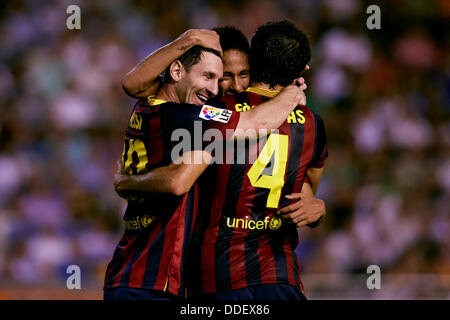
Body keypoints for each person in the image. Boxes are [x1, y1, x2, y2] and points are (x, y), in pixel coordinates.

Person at [114, 20, 327, 300]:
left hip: (218, 272)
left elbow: (295, 184)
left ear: (257, 66)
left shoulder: (208, 113)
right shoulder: (202, 114)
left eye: (243, 74)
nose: (227, 87)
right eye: (218, 76)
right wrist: (291, 92)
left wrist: (317, 206)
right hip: (249, 272)